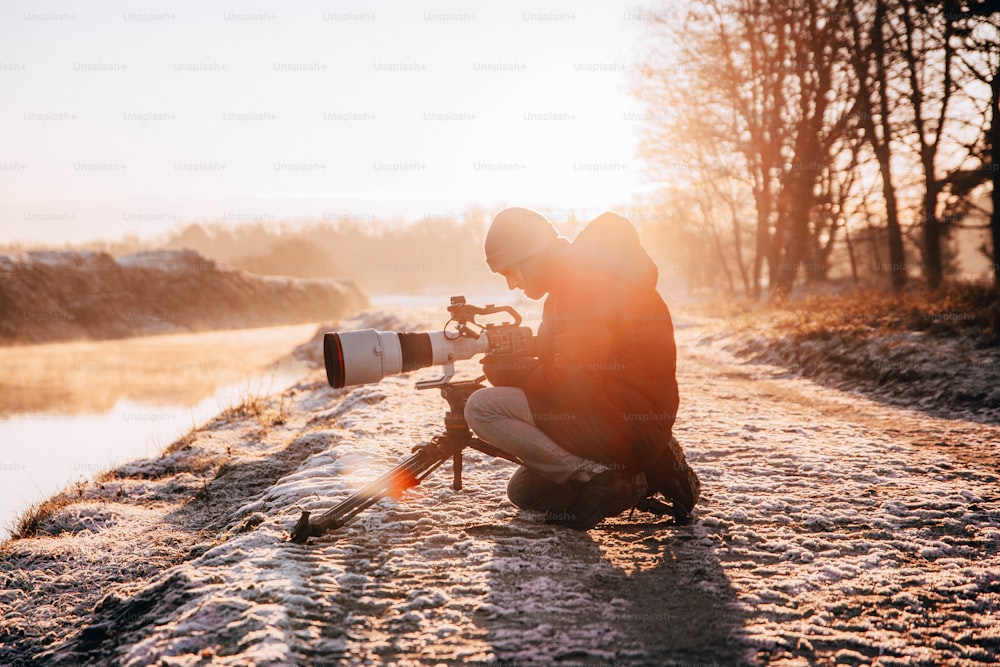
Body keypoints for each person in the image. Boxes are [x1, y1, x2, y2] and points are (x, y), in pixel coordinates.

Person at [464, 207, 701, 530]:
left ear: (529, 256)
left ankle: (605, 478)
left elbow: (572, 384)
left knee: (482, 407)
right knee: (524, 491)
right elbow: (581, 356)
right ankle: (648, 470)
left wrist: (513, 372)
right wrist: (529, 347)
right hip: (628, 417)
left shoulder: (580, 288)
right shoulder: (579, 279)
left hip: (623, 422)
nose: (511, 286)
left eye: (509, 272)